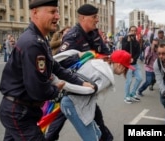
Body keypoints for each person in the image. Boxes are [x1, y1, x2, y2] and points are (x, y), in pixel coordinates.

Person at [0, 1, 93, 140]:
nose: (58, 16)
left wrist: (80, 82)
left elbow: (56, 67)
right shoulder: (32, 43)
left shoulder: (40, 39)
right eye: (52, 12)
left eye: (57, 12)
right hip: (19, 112)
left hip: (21, 110)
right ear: (35, 12)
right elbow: (38, 90)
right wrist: (57, 89)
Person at [47, 3, 113, 141]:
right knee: (60, 116)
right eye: (94, 17)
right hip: (72, 86)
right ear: (83, 18)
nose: (97, 20)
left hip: (85, 85)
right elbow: (61, 62)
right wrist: (81, 55)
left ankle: (106, 138)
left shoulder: (94, 33)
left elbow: (105, 53)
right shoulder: (72, 36)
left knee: (93, 115)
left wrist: (107, 59)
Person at [57, 50, 134, 141]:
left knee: (98, 134)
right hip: (74, 105)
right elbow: (86, 90)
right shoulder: (106, 76)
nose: (125, 71)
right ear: (119, 65)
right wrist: (64, 85)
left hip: (73, 103)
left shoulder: (96, 62)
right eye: (126, 68)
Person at [121, 25, 142, 104]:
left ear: (136, 32)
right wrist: (128, 41)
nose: (133, 32)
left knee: (139, 78)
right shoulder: (125, 39)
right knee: (128, 81)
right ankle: (126, 96)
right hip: (127, 64)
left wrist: (134, 58)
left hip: (135, 63)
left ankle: (132, 93)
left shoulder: (136, 42)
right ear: (129, 31)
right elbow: (123, 49)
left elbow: (138, 52)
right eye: (131, 30)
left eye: (134, 31)